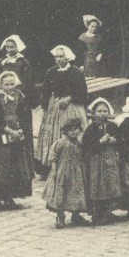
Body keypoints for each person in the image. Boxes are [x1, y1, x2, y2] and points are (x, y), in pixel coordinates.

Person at [0, 71, 35, 210]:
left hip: (16, 138)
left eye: (12, 84)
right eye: (7, 84)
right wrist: (10, 131)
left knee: (14, 166)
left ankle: (9, 198)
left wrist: (21, 130)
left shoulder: (20, 97)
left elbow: (25, 116)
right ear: (1, 85)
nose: (10, 87)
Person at [35, 45, 89, 175]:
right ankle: (52, 166)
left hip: (72, 106)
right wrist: (46, 108)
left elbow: (82, 92)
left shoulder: (76, 72)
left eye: (61, 56)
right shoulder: (51, 72)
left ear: (67, 57)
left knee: (72, 131)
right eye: (56, 57)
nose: (58, 59)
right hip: (55, 107)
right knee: (52, 134)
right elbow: (46, 91)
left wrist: (70, 99)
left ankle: (73, 165)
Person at [82, 97, 123, 224]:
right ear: (94, 112)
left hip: (110, 160)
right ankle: (98, 213)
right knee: (99, 186)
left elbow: (121, 141)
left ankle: (108, 211)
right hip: (97, 161)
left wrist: (114, 140)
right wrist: (100, 141)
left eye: (105, 111)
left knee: (110, 184)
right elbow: (86, 146)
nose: (102, 113)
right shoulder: (91, 128)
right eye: (99, 111)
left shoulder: (112, 126)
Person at [43, 118, 89, 228]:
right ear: (65, 131)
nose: (73, 132)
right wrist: (54, 171)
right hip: (62, 173)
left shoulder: (79, 144)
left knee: (76, 194)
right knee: (61, 193)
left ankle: (76, 216)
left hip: (76, 174)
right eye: (70, 129)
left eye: (76, 129)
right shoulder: (60, 143)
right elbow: (53, 157)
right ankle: (60, 216)